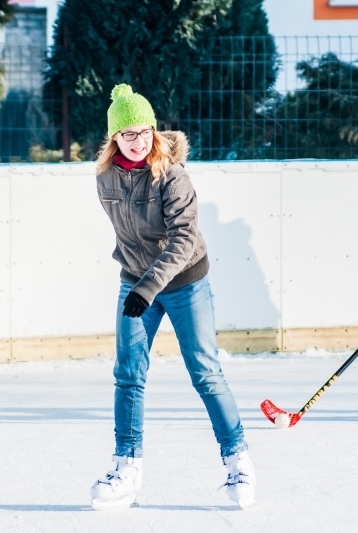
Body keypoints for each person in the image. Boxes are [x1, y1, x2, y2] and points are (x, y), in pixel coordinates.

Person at [89, 84, 255, 510]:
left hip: (184, 282)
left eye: (145, 131)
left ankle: (238, 459)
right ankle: (127, 465)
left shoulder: (172, 174)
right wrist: (135, 279)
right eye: (129, 134)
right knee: (128, 372)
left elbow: (183, 239)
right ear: (114, 139)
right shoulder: (104, 175)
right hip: (136, 281)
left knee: (204, 371)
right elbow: (126, 232)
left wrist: (147, 286)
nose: (139, 140)